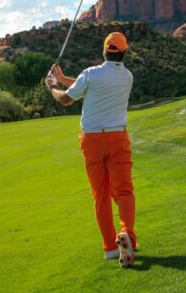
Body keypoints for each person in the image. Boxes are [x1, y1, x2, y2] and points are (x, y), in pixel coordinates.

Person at [45, 32, 136, 268]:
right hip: (118, 137)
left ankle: (109, 247)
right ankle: (128, 236)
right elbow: (93, 85)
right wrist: (64, 77)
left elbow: (67, 99)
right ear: (125, 52)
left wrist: (53, 86)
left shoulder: (90, 74)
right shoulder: (127, 76)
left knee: (101, 195)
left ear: (104, 51)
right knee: (124, 191)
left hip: (92, 140)